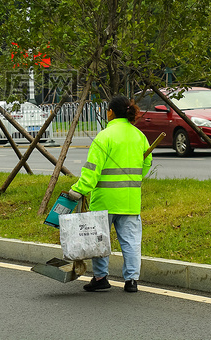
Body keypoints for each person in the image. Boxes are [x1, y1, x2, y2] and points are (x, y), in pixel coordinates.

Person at [67, 95, 152, 292]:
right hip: (130, 200)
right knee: (131, 241)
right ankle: (131, 281)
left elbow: (91, 170)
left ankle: (100, 278)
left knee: (100, 239)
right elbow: (146, 163)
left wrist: (79, 190)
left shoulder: (104, 136)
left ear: (111, 112)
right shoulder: (139, 136)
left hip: (105, 200)